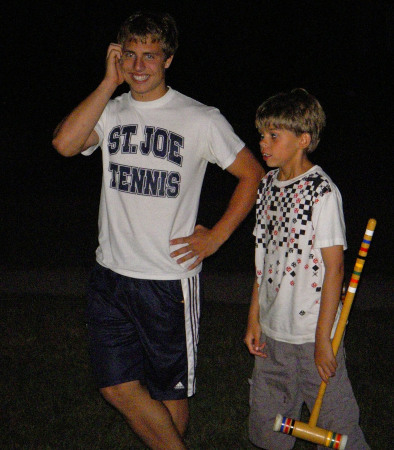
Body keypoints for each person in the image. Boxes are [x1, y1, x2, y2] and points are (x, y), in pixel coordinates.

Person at [52, 11, 262, 450]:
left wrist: (216, 237)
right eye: (130, 55)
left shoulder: (199, 118)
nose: (139, 65)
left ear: (168, 59)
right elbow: (65, 144)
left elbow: (252, 174)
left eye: (150, 55)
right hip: (110, 275)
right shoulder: (109, 112)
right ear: (118, 57)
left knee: (170, 393)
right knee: (114, 386)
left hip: (168, 281)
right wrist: (108, 83)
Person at [244, 89, 369, 449]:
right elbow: (263, 260)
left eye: (272, 136)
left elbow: (335, 270)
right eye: (262, 134)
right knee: (268, 428)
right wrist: (255, 317)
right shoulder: (267, 186)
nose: (262, 143)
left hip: (311, 335)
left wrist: (323, 341)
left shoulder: (321, 192)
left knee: (338, 428)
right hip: (271, 334)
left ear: (303, 140)